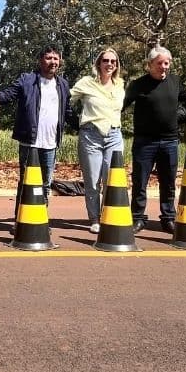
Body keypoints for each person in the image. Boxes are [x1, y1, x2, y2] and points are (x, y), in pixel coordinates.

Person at [123, 45, 186, 234]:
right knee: (140, 182)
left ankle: (168, 218)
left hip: (169, 142)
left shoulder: (175, 82)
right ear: (150, 65)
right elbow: (119, 105)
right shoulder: (138, 84)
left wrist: (178, 116)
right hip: (144, 143)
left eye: (167, 63)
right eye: (160, 63)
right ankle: (138, 218)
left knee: (168, 182)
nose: (164, 67)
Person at [0, 45, 71, 213]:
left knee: (45, 183)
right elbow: (7, 95)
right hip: (30, 142)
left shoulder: (63, 85)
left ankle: (40, 220)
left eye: (56, 58)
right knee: (26, 181)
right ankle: (20, 220)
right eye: (48, 58)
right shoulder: (27, 80)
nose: (53, 62)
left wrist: (85, 123)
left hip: (51, 143)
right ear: (40, 60)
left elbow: (68, 111)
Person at [69, 48, 125, 234]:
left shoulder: (120, 85)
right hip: (91, 136)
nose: (110, 64)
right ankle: (94, 218)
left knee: (111, 179)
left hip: (114, 136)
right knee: (93, 181)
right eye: (106, 60)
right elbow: (68, 99)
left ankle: (108, 215)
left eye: (113, 61)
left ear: (116, 65)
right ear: (99, 63)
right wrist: (73, 120)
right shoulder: (86, 83)